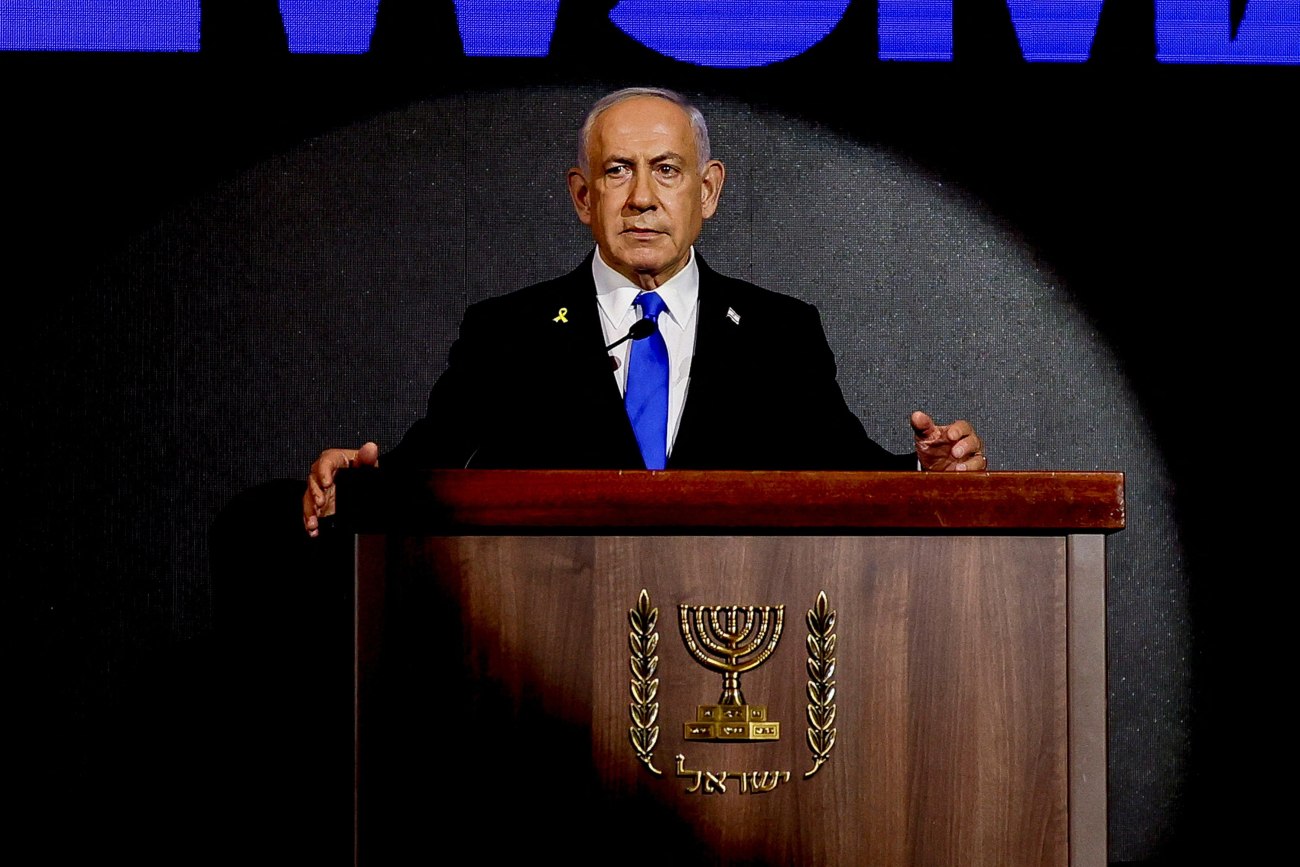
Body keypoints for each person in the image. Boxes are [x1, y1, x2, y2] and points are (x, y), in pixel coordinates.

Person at [303, 86, 986, 536]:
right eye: (617, 170)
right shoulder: (507, 333)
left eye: (666, 169)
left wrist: (929, 475)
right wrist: (359, 485)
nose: (641, 198)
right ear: (583, 196)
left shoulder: (780, 333)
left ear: (707, 191)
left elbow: (849, 474)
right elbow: (425, 470)